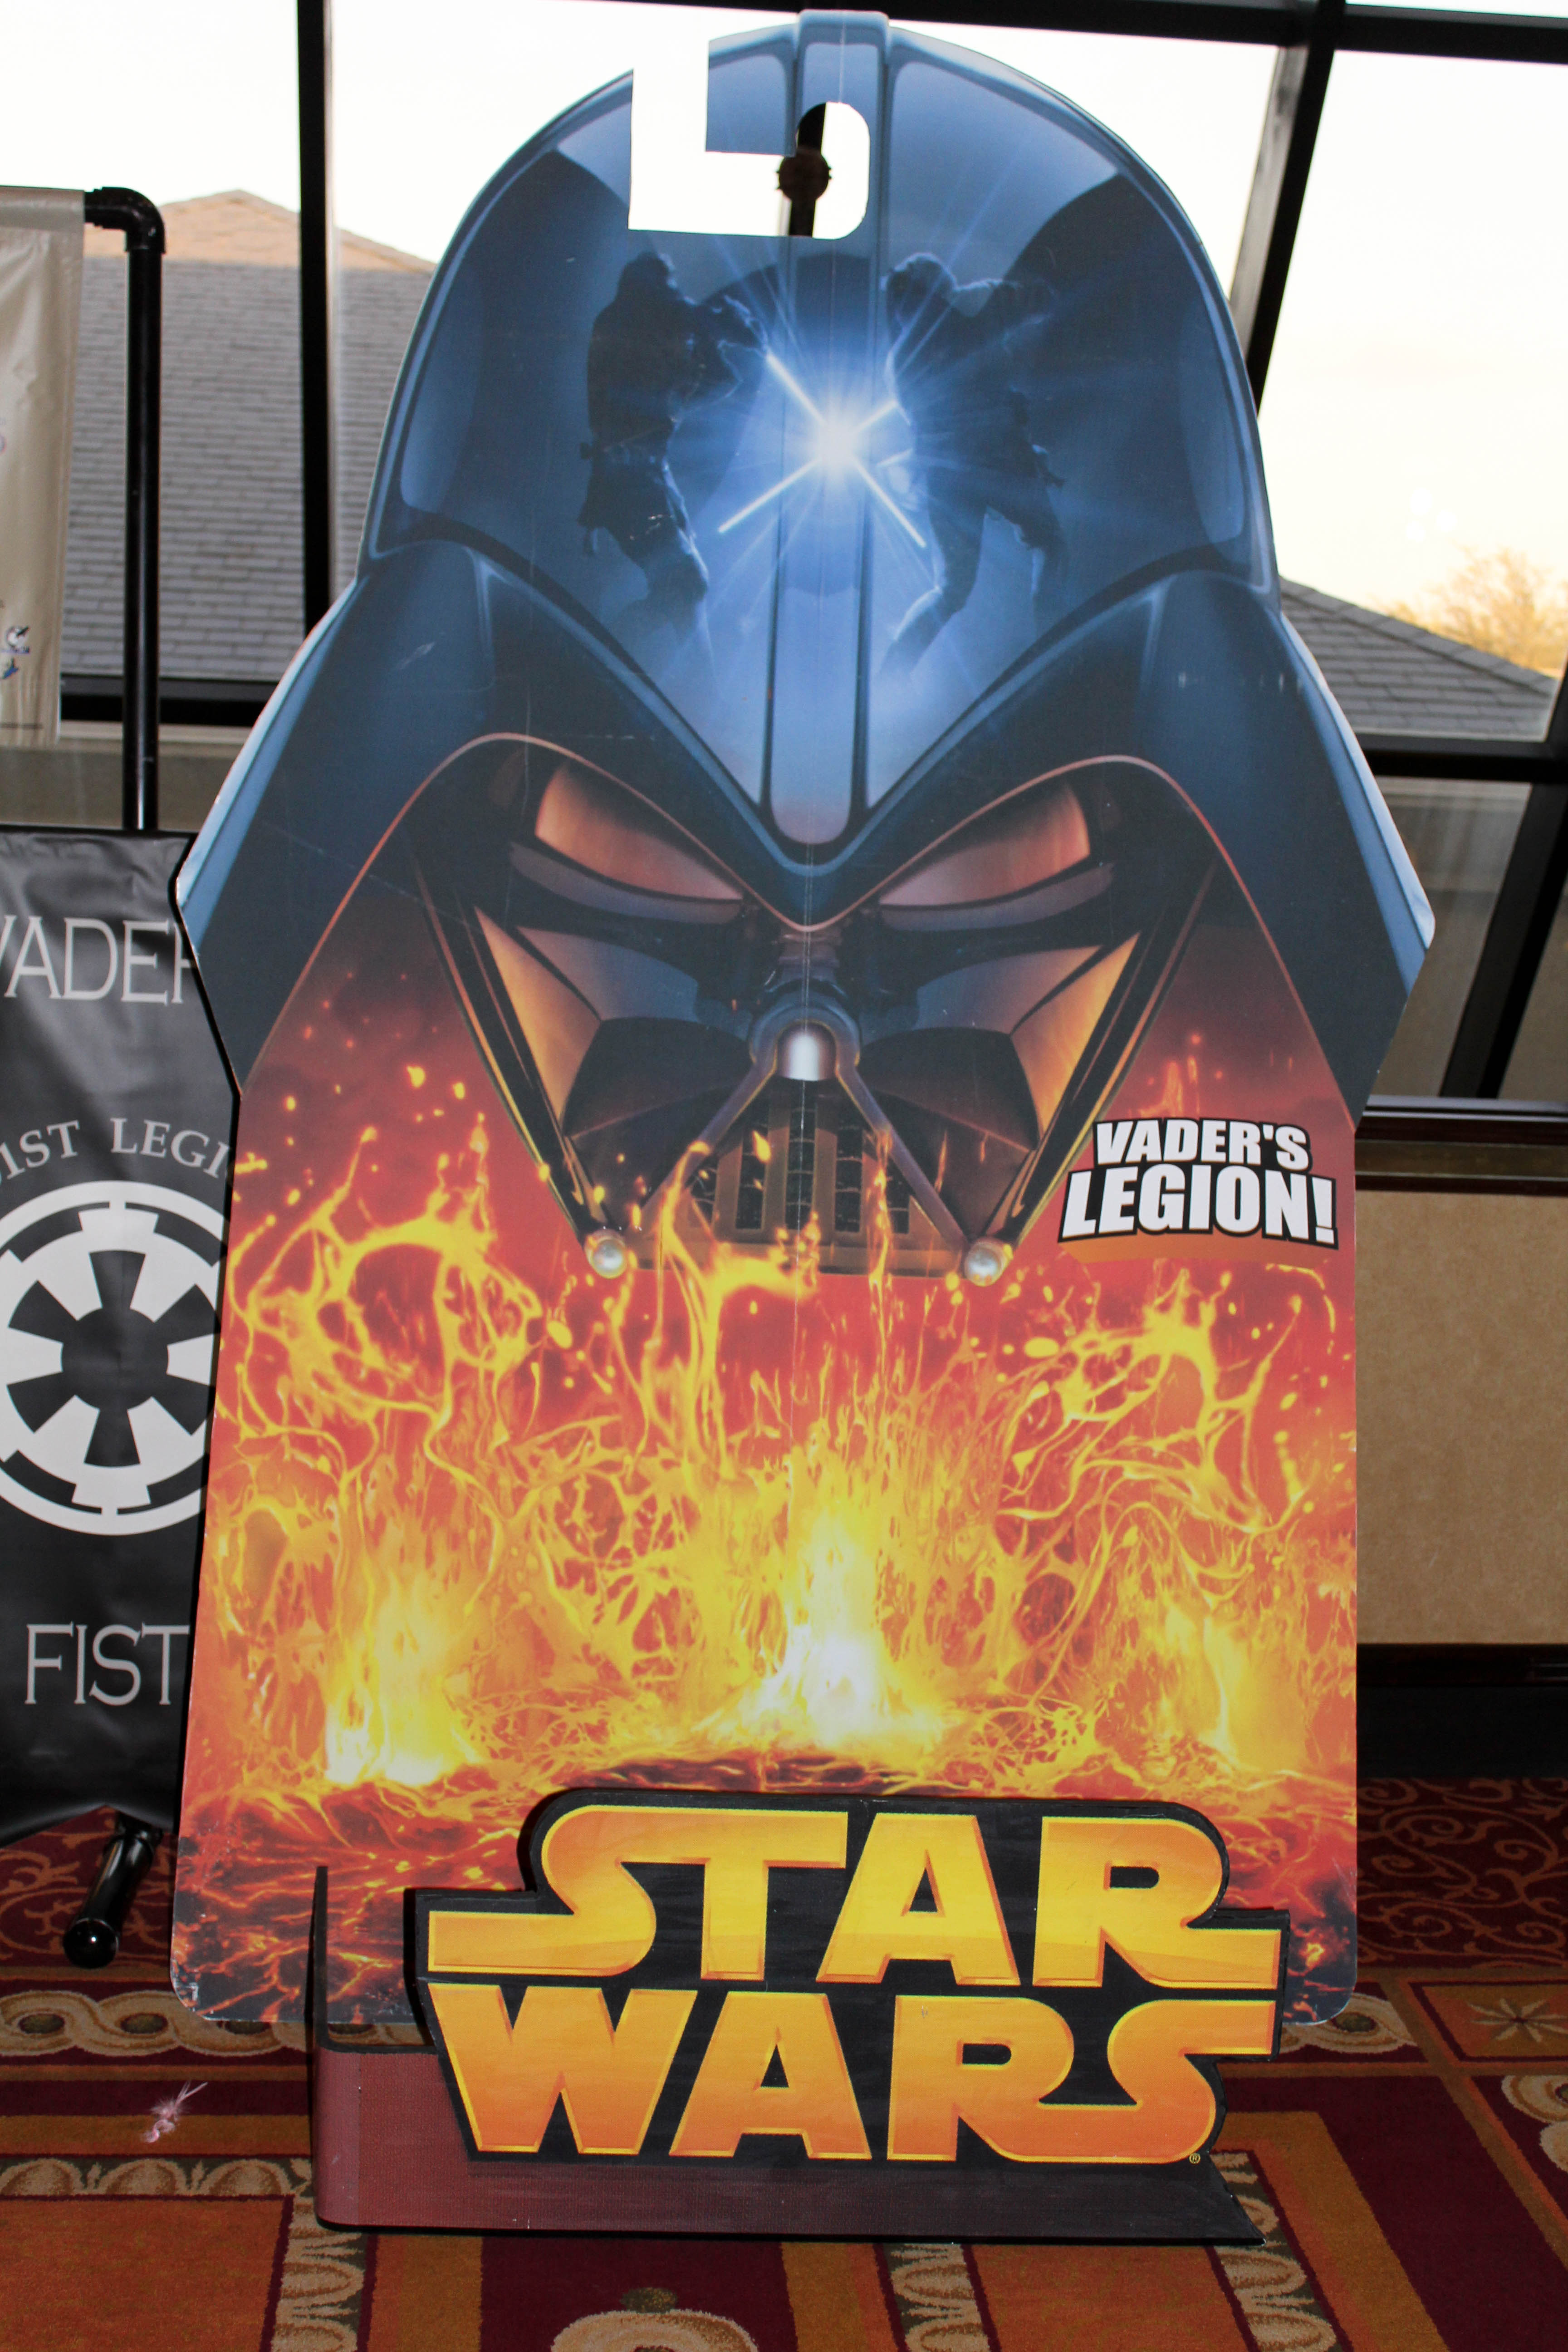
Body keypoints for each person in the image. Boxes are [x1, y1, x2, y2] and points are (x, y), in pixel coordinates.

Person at [881, 254, 1063, 674]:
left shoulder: (899, 361)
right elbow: (1039, 300)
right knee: (1049, 542)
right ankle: (1052, 648)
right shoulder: (974, 303)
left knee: (951, 589)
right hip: (998, 460)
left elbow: (928, 424)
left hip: (946, 477)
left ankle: (891, 674)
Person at [579, 254, 764, 645]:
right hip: (633, 479)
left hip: (642, 474)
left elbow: (720, 374)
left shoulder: (634, 325)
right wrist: (717, 327)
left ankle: (686, 677)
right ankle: (597, 653)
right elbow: (710, 342)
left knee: (689, 587)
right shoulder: (641, 322)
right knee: (687, 583)